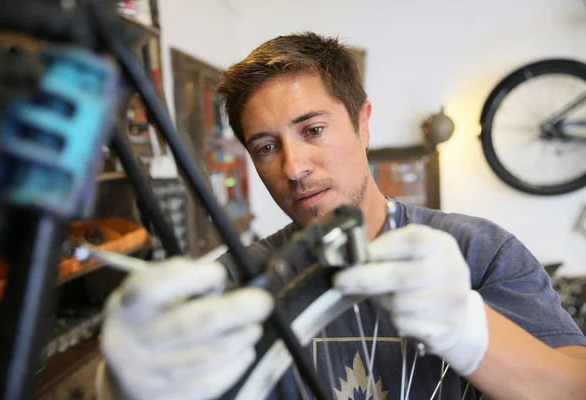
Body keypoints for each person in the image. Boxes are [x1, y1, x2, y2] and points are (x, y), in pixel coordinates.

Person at [95, 32, 586, 400]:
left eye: (312, 130)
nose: (293, 167)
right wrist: (129, 386)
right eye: (266, 146)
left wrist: (471, 331)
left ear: (362, 123)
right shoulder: (241, 281)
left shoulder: (480, 251)